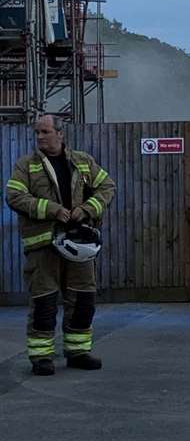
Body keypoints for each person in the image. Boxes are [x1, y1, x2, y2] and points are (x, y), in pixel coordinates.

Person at [5, 114, 116, 375]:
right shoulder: (26, 165)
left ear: (60, 133)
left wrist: (88, 208)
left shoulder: (83, 161)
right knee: (44, 302)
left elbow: (107, 187)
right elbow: (14, 196)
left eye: (45, 131)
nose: (40, 137)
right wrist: (52, 210)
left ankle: (78, 351)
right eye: (37, 133)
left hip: (79, 244)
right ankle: (41, 357)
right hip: (43, 246)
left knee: (83, 300)